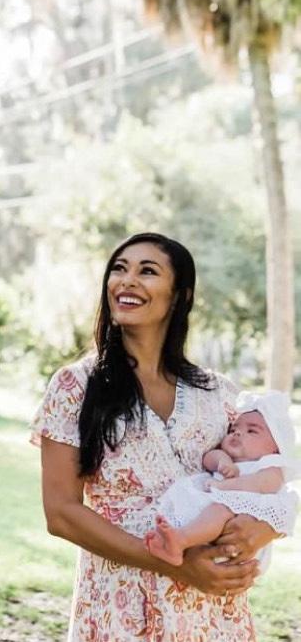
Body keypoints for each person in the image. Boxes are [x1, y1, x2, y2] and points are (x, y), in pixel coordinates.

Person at [30, 232, 295, 642]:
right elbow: (61, 513)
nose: (127, 280)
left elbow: (270, 476)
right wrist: (175, 564)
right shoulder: (75, 386)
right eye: (119, 269)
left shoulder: (219, 394)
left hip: (211, 615)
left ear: (180, 296)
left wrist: (265, 528)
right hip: (118, 607)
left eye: (147, 271)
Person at [145, 390, 299, 571]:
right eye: (233, 429)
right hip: (218, 507)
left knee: (220, 510)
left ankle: (180, 541)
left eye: (252, 431)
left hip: (244, 519)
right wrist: (222, 462)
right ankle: (175, 540)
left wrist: (225, 486)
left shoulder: (270, 464)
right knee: (209, 509)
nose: (237, 433)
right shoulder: (227, 458)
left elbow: (264, 484)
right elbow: (208, 458)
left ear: (276, 447)